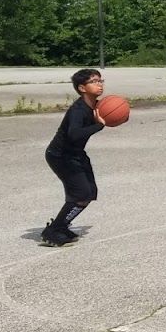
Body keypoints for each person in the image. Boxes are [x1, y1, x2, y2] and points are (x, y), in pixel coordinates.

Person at [40, 69, 110, 247]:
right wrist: (99, 126)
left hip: (76, 154)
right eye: (94, 81)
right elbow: (74, 134)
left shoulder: (95, 105)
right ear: (82, 88)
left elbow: (113, 109)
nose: (99, 84)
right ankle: (53, 230)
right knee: (82, 194)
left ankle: (61, 226)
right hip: (61, 156)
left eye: (100, 80)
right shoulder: (78, 110)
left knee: (89, 192)